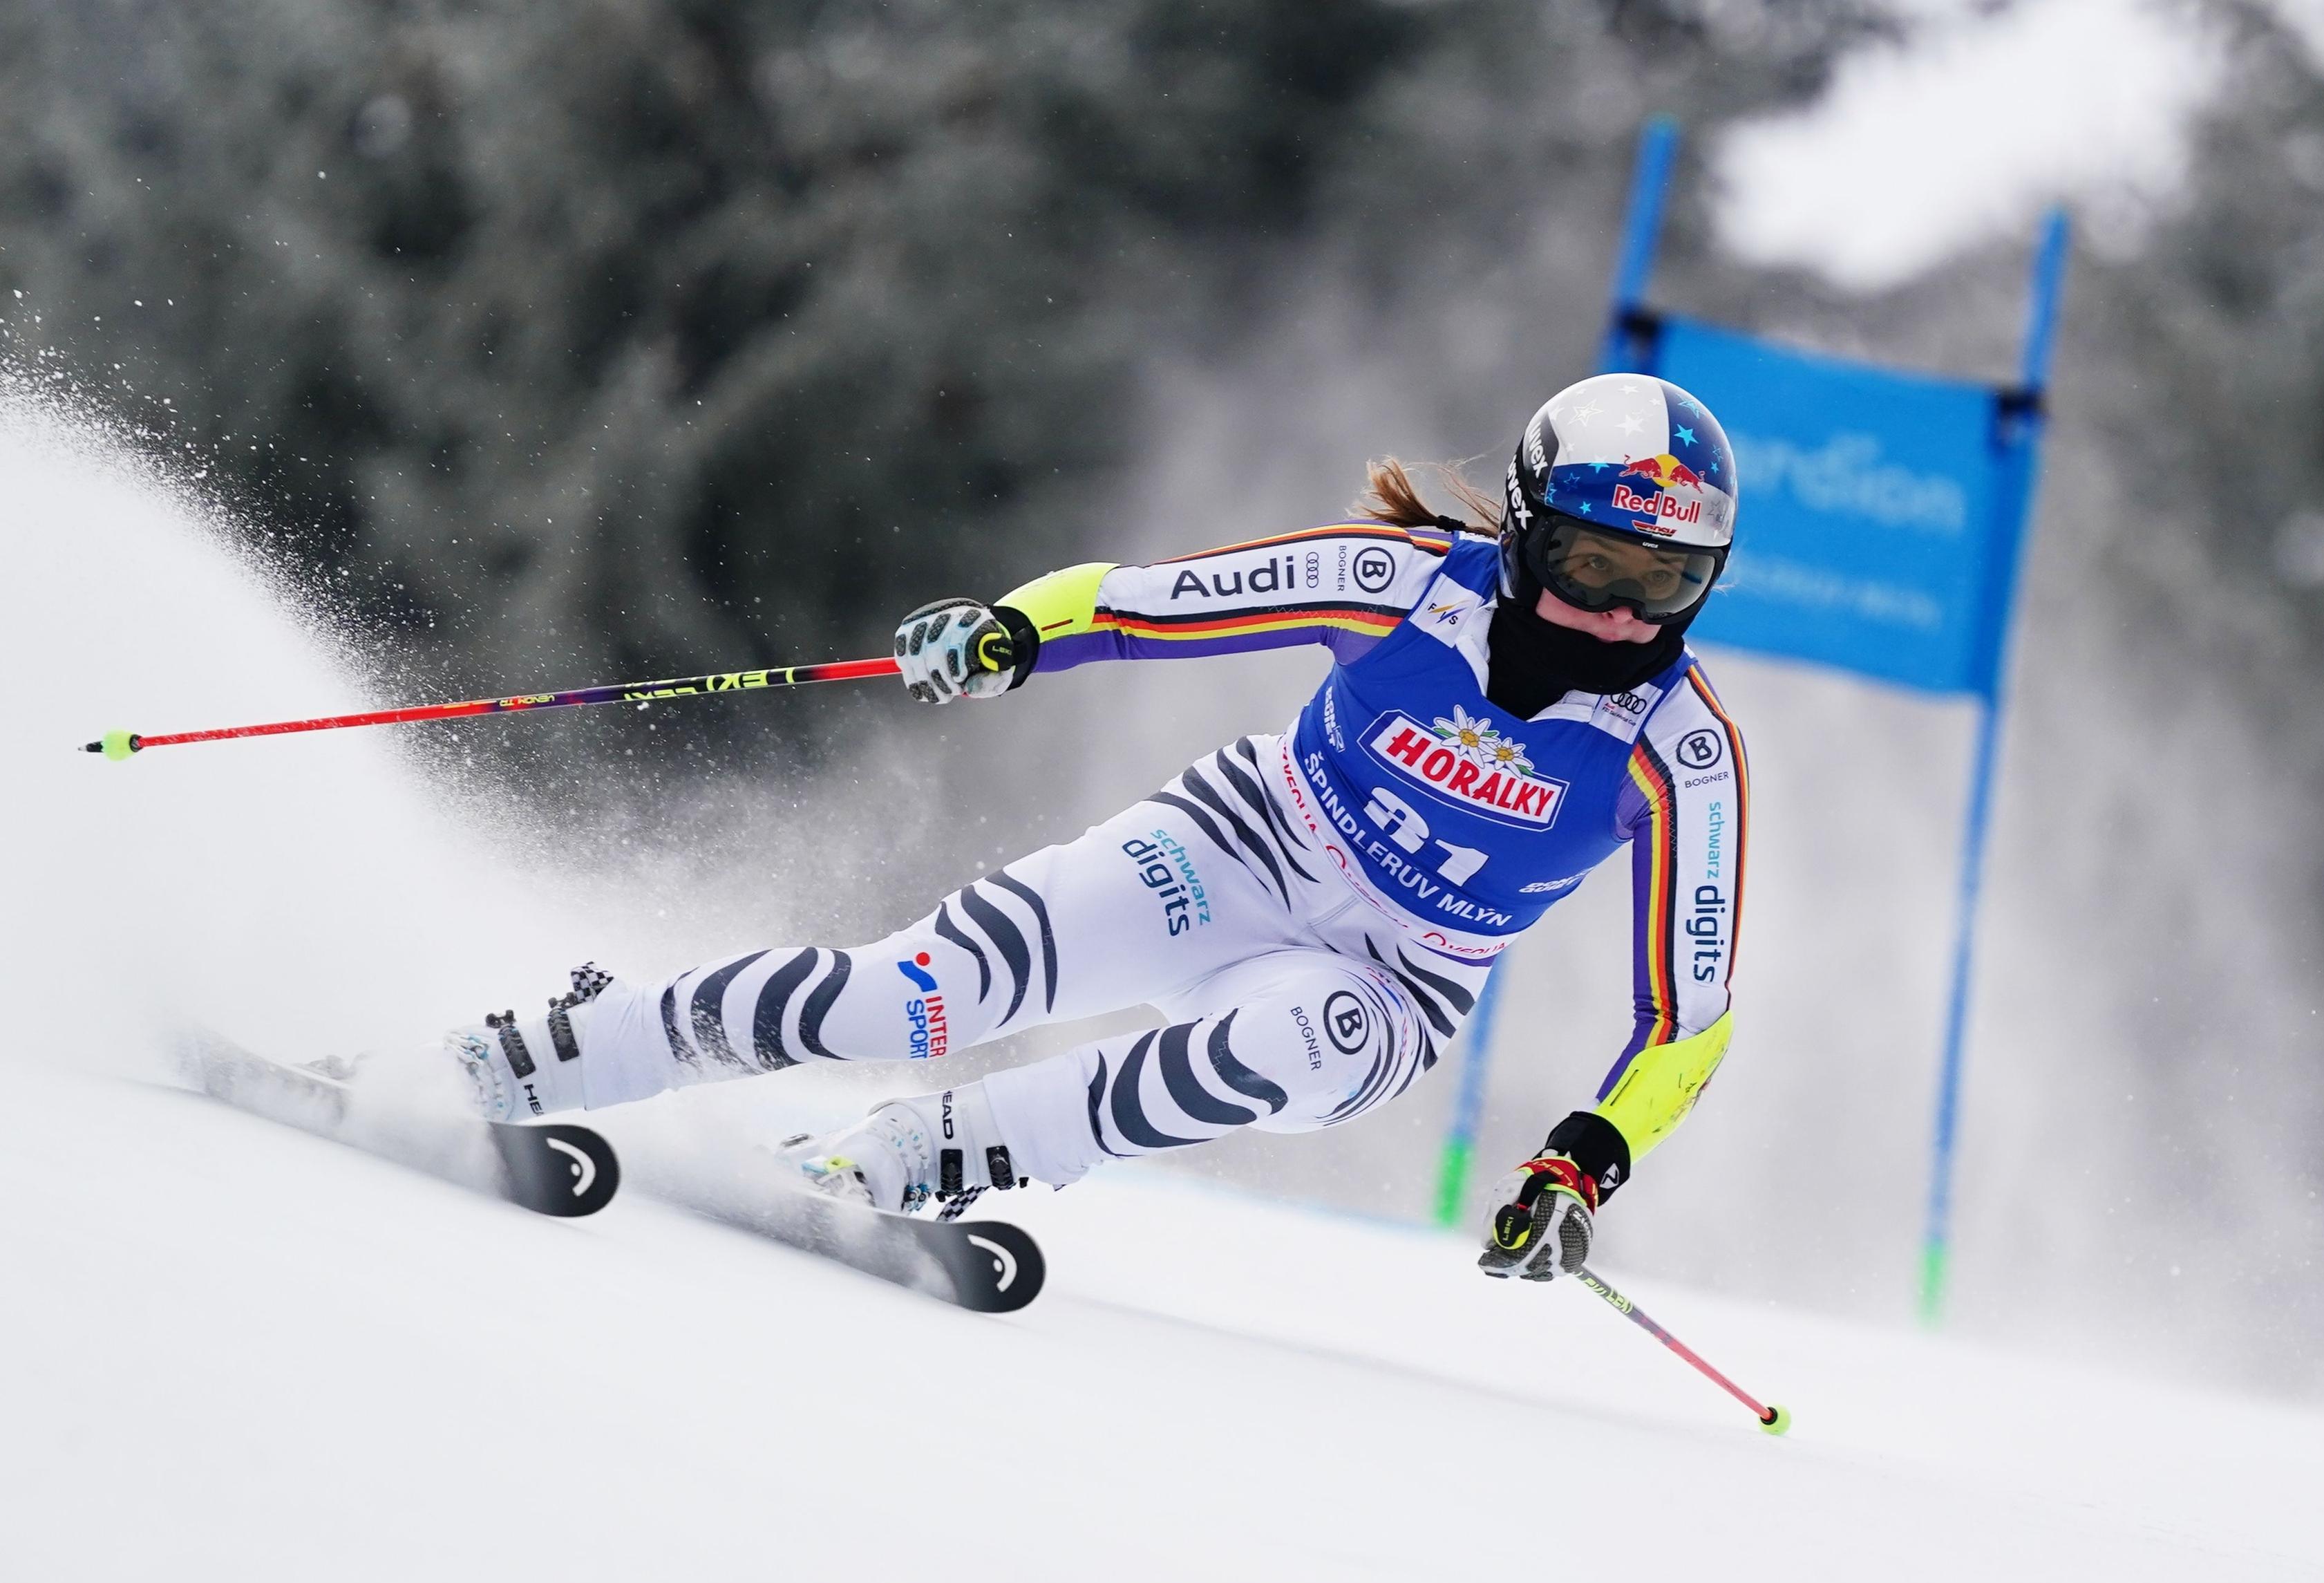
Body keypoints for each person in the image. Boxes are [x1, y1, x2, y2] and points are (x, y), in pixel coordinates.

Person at [448, 372, 1748, 1282]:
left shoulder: (1682, 757)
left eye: (1669, 583)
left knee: (1286, 1039)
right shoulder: (1395, 586)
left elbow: (1691, 1017)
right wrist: (1009, 633)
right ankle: (562, 1048)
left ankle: (926, 1156)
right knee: (919, 999)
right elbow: (1135, 605)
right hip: (1241, 845)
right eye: (1595, 568)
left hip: (1392, 985)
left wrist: (1587, 1163)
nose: (1627, 618)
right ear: (1527, 531)